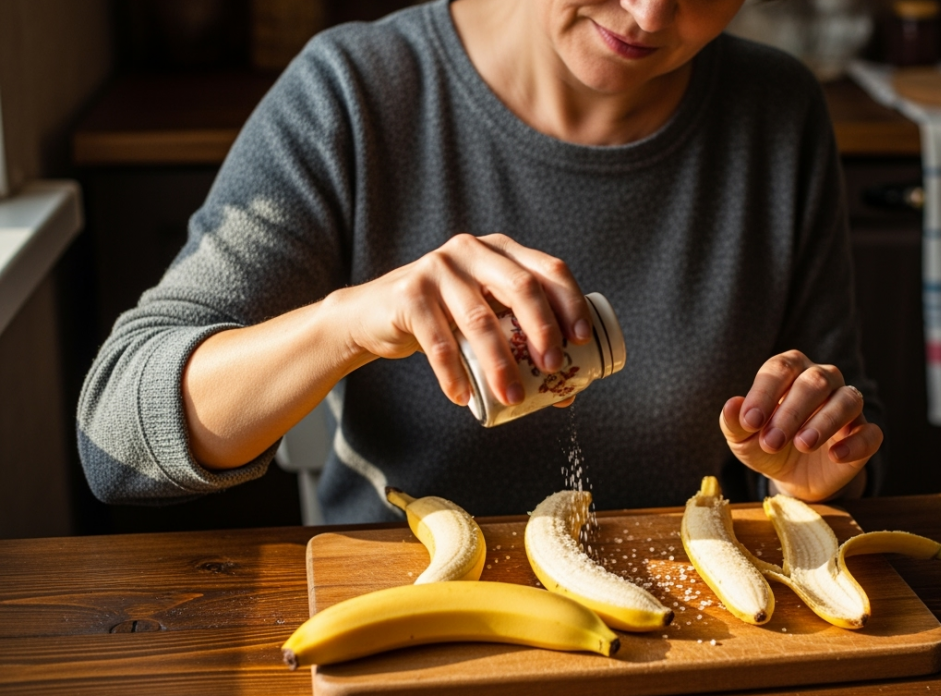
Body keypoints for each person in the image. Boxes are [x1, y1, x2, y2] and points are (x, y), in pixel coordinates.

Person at [76, 0, 885, 523]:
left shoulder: (777, 109)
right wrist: (347, 324)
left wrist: (811, 471)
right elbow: (114, 438)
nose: (648, 15)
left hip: (693, 638)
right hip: (410, 629)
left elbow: (838, 421)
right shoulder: (355, 94)